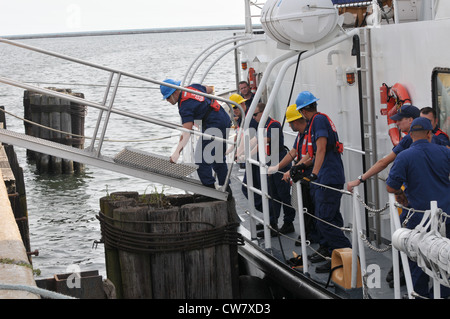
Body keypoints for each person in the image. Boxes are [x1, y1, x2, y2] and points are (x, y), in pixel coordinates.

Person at [386, 116, 450, 298]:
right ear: (429, 133)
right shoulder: (445, 152)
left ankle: (420, 295)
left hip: (419, 218)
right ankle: (443, 294)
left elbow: (391, 186)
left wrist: (402, 195)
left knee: (417, 259)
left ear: (411, 135)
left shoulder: (405, 156)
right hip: (446, 215)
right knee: (444, 258)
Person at [294, 91, 351, 273]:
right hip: (329, 176)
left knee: (324, 219)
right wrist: (299, 167)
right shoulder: (317, 121)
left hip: (327, 177)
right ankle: (338, 256)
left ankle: (346, 258)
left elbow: (321, 148)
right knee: (331, 218)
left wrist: (314, 174)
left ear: (303, 111)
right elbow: (312, 154)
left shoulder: (318, 121)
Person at [160, 79, 231, 189]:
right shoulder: (193, 88)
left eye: (168, 97)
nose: (168, 101)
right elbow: (210, 89)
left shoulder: (185, 106)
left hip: (214, 124)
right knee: (218, 158)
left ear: (174, 93)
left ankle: (210, 190)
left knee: (201, 158)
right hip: (223, 117)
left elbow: (187, 132)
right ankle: (226, 188)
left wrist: (177, 152)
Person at [268, 104, 317, 244]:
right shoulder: (301, 135)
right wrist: (277, 167)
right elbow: (293, 152)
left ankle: (311, 235)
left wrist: (291, 170)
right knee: (303, 207)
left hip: (309, 176)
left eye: (289, 123)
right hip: (301, 176)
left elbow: (309, 155)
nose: (289, 126)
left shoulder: (309, 134)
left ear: (295, 122)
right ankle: (307, 233)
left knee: (310, 208)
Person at [347, 104, 420, 192]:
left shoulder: (408, 139)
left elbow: (383, 162)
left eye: (400, 120)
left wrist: (360, 179)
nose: (397, 123)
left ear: (410, 120)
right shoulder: (432, 137)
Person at [251, 102, 296, 236]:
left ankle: (288, 223)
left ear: (263, 113)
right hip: (270, 160)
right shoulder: (262, 126)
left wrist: (249, 151)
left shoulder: (274, 125)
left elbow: (265, 141)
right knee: (272, 194)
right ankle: (272, 223)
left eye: (255, 115)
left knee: (283, 194)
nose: (253, 118)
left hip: (279, 160)